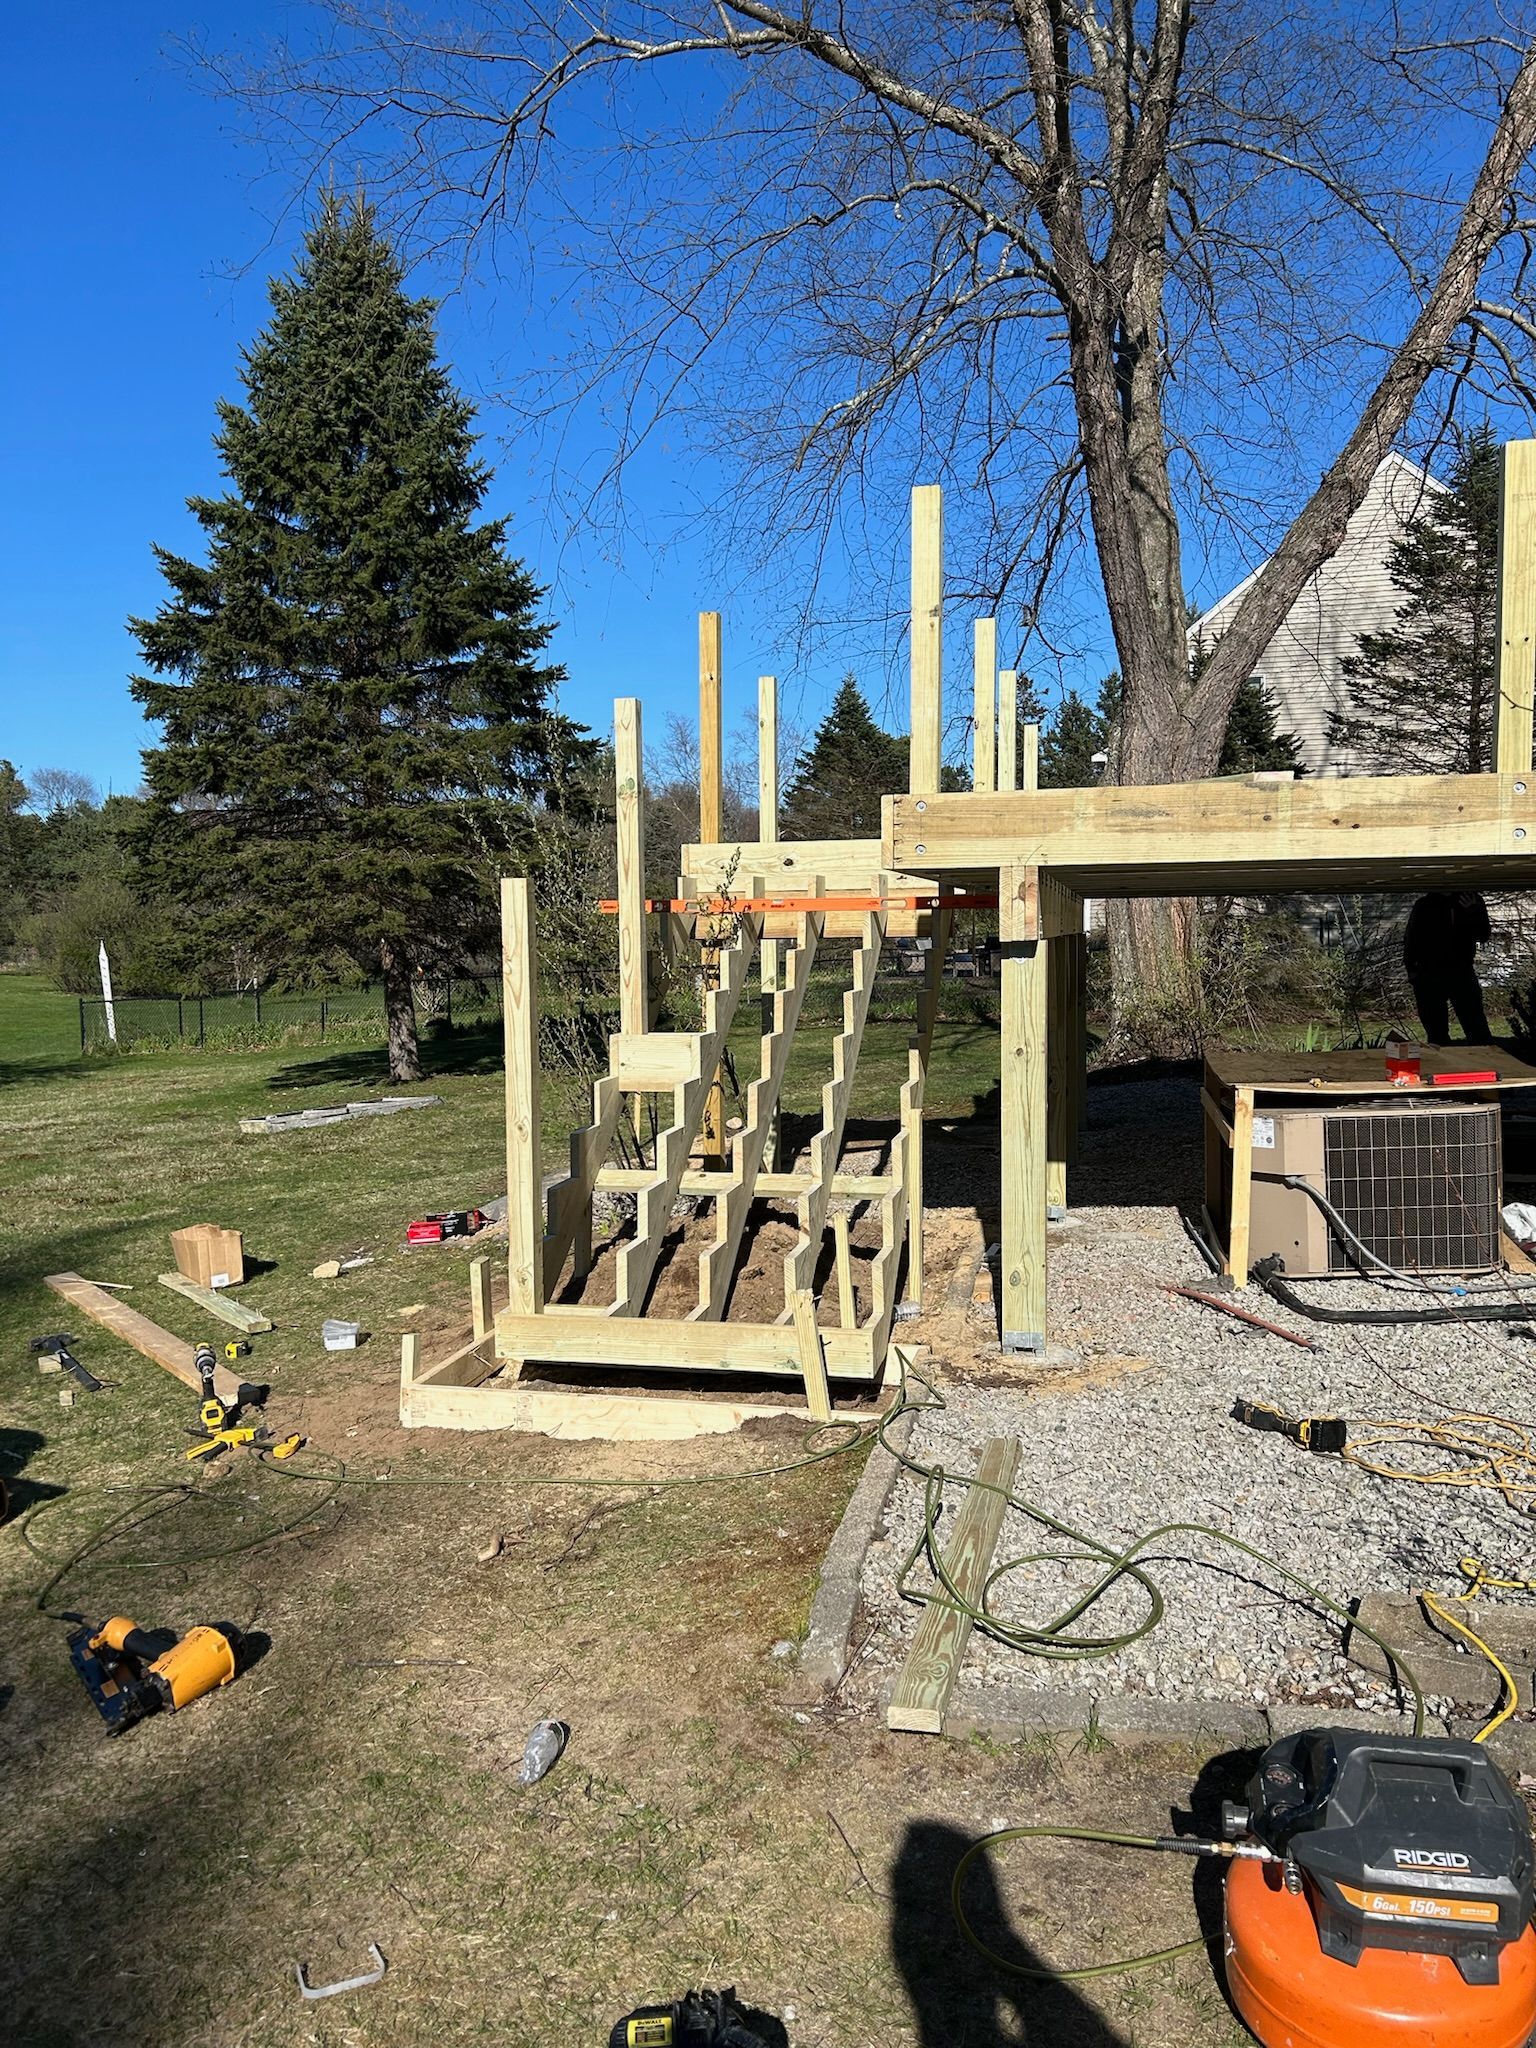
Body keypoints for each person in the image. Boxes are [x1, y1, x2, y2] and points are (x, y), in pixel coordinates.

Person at [1403, 890, 1492, 1045]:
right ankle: (1443, 1057)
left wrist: (1472, 911)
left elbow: (1483, 934)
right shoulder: (1425, 904)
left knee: (1476, 1027)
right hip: (1430, 972)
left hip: (1461, 970)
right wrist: (1412, 970)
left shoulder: (1470, 899)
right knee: (1436, 1031)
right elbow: (1411, 938)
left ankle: (1483, 1056)